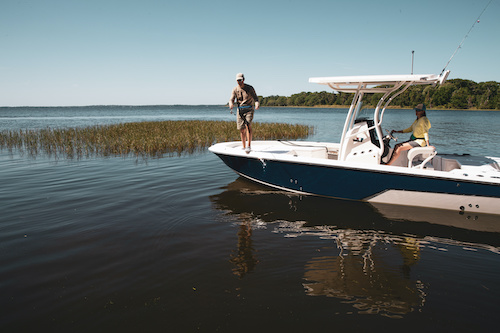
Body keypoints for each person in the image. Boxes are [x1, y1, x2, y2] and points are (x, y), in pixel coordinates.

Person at [229, 73, 259, 152]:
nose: (239, 82)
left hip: (249, 109)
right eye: (238, 80)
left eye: (240, 80)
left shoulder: (249, 88)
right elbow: (231, 99)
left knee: (248, 124)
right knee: (242, 129)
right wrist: (231, 104)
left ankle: (248, 146)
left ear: (243, 80)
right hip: (240, 110)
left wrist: (256, 104)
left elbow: (256, 98)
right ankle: (244, 146)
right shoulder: (235, 89)